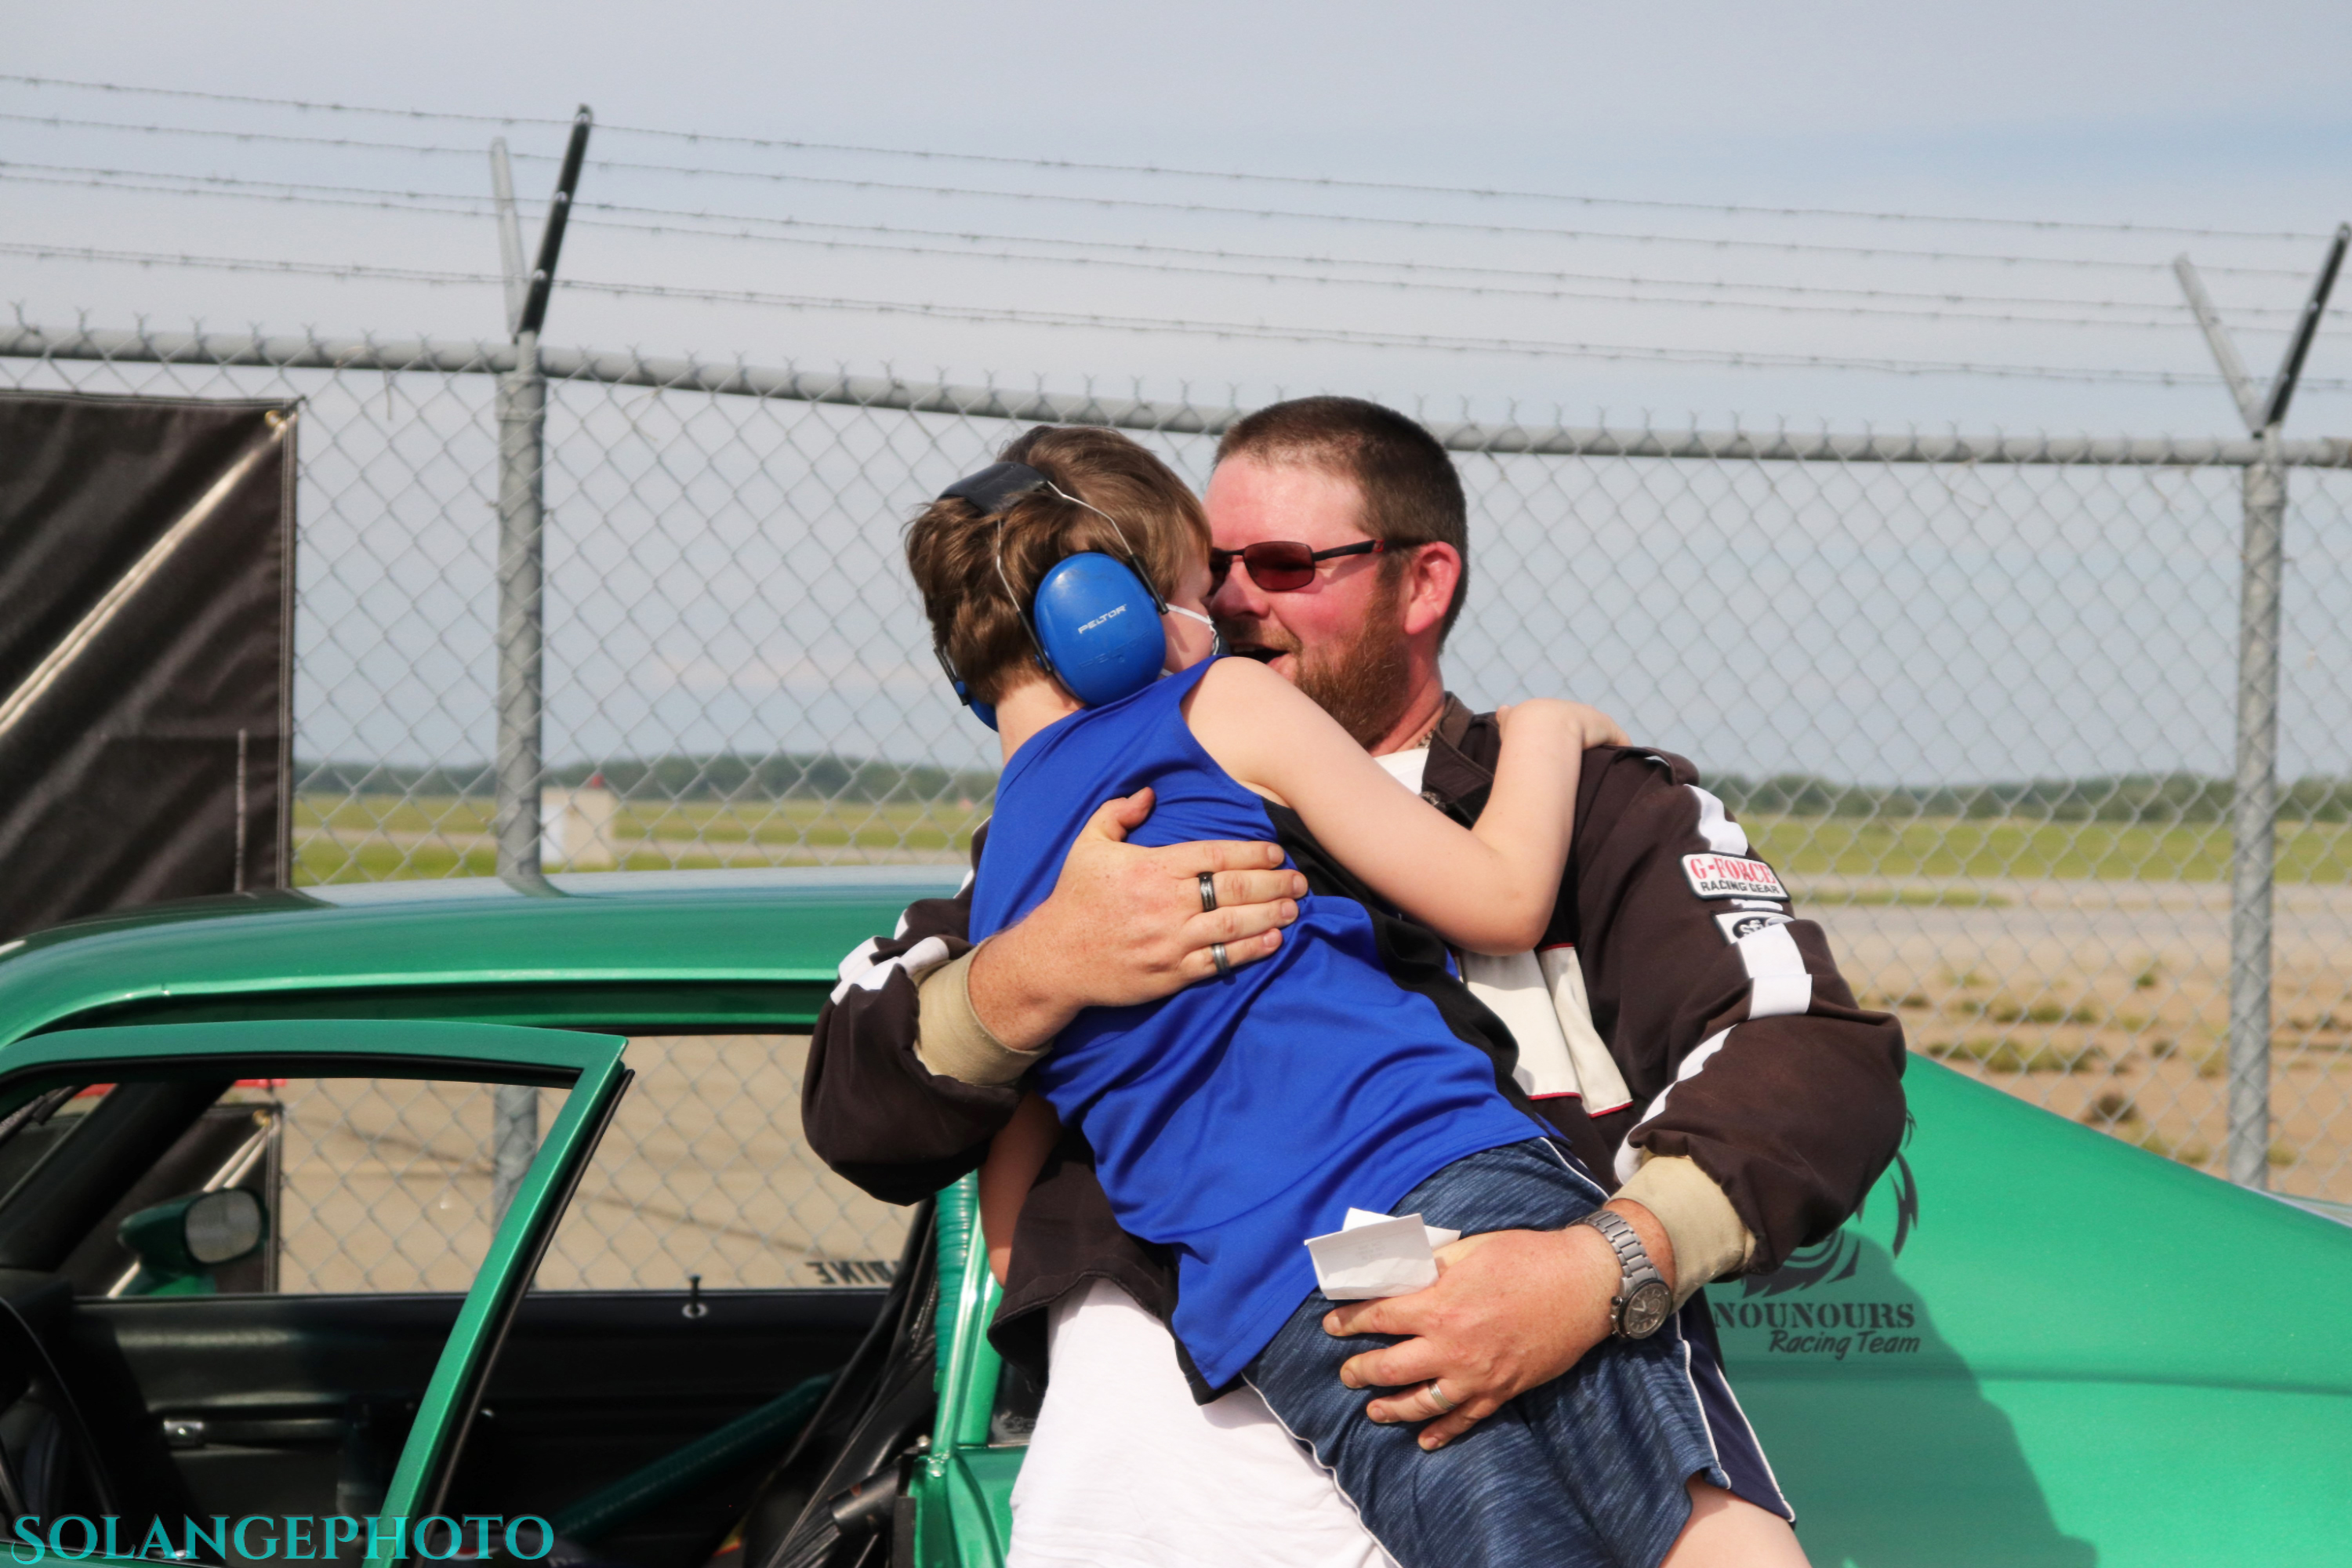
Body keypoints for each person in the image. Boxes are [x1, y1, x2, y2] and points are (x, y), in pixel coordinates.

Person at [803, 398, 1907, 1566]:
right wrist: (1034, 973)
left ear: (1423, 583)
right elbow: (855, 1101)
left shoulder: (1599, 811)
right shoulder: (1084, 842)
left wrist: (1607, 1264)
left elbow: (1810, 1052)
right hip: (1170, 1492)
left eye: (1281, 564)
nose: (1233, 601)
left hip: (1491, 1338)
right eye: (1210, 571)